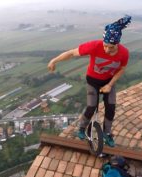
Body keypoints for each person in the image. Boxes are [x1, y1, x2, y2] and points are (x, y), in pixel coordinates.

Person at [47, 15, 132, 147]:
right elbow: (71, 53)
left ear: (118, 44)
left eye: (111, 47)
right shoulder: (94, 46)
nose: (107, 50)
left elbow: (121, 69)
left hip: (109, 81)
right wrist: (54, 60)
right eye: (105, 46)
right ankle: (81, 128)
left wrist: (110, 85)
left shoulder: (124, 53)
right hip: (93, 81)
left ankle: (107, 133)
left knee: (111, 108)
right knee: (91, 106)